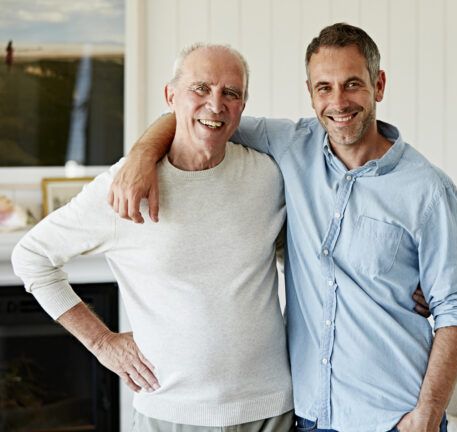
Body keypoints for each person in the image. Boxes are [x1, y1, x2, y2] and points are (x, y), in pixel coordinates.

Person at [110, 23, 457, 432]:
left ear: (379, 84)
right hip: (306, 415)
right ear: (310, 92)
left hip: (394, 417)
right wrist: (140, 157)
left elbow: (456, 309)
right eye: (324, 87)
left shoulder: (428, 189)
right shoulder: (290, 144)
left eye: (352, 84)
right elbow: (196, 118)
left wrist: (427, 413)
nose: (338, 102)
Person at [12, 44, 295, 431]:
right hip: (170, 415)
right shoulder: (123, 188)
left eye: (231, 92)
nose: (216, 104)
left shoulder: (268, 177)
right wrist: (101, 343)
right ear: (170, 96)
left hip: (272, 410)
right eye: (200, 88)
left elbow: (305, 260)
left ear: (243, 105)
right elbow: (31, 257)